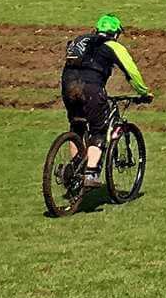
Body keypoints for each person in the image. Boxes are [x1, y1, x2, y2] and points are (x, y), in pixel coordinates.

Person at [61, 14, 153, 188]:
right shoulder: (113, 46)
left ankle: (74, 170)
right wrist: (144, 92)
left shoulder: (80, 40)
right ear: (116, 34)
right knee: (98, 130)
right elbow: (131, 72)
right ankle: (90, 173)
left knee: (77, 126)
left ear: (96, 29)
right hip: (91, 88)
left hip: (68, 86)